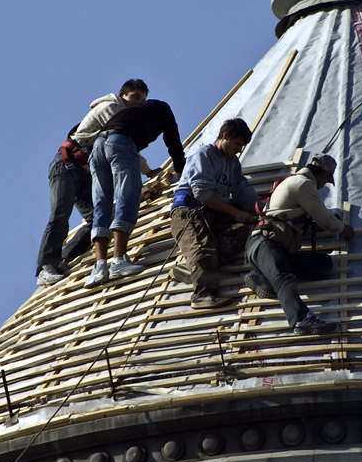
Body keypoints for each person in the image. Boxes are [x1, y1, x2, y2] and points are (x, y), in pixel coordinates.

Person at [35, 79, 154, 286]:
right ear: (122, 94)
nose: (137, 103)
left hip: (84, 173)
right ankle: (44, 268)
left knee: (98, 218)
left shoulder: (125, 115)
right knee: (60, 215)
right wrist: (149, 171)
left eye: (142, 100)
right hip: (64, 167)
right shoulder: (111, 109)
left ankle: (63, 259)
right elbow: (125, 146)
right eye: (134, 97)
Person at [245, 153, 355, 335]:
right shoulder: (303, 184)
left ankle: (263, 279)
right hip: (265, 242)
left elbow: (311, 221)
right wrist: (344, 228)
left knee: (322, 263)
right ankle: (301, 320)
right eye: (326, 181)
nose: (322, 187)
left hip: (278, 247)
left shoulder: (297, 184)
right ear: (325, 175)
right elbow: (324, 218)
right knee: (284, 277)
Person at [86, 99, 186, 287]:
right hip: (120, 143)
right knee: (127, 196)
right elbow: (173, 143)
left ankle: (99, 267)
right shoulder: (164, 109)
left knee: (102, 203)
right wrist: (183, 173)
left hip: (98, 147)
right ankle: (118, 261)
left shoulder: (132, 113)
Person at [170, 119, 258, 309]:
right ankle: (202, 295)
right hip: (190, 211)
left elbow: (241, 188)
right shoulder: (204, 154)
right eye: (237, 144)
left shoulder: (232, 162)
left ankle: (193, 269)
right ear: (225, 136)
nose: (239, 150)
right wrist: (235, 212)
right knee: (202, 247)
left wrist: (259, 209)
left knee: (242, 231)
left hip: (216, 213)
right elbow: (201, 192)